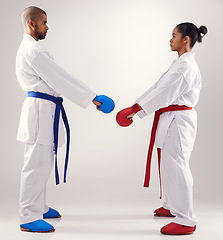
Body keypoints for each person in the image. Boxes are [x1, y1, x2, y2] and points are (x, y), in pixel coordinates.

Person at [16, 6, 114, 233]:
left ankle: (38, 206)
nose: (47, 27)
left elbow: (58, 80)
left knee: (43, 163)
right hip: (39, 111)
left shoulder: (31, 49)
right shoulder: (34, 51)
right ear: (32, 23)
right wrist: (93, 98)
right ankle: (28, 215)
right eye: (44, 23)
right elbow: (60, 79)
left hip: (43, 110)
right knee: (35, 165)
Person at [116, 22, 207, 235]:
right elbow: (157, 88)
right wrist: (135, 105)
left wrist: (136, 110)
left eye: (174, 35)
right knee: (168, 164)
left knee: (177, 165)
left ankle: (186, 219)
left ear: (186, 39)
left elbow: (164, 93)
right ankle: (171, 206)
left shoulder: (186, 66)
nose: (170, 38)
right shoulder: (179, 64)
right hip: (170, 118)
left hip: (179, 119)